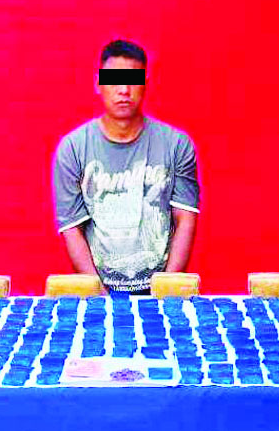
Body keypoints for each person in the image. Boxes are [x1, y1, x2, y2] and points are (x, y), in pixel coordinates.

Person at [53, 39, 200, 295]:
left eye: (133, 79)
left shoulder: (176, 145)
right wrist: (99, 296)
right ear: (98, 83)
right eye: (114, 79)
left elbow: (185, 219)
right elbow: (72, 229)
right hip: (99, 293)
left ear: (145, 84)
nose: (124, 89)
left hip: (160, 290)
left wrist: (165, 290)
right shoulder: (73, 149)